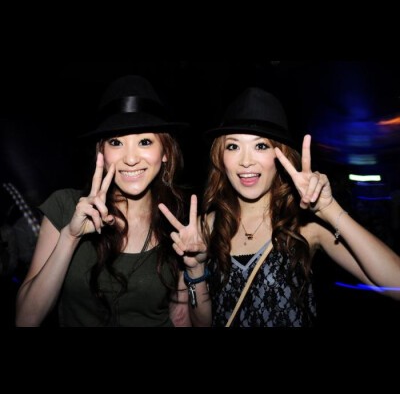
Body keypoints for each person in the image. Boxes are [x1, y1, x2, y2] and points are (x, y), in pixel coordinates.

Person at [159, 87, 400, 327]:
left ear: (281, 156)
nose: (246, 161)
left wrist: (330, 209)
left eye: (261, 146)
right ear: (220, 157)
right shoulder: (205, 228)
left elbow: (396, 285)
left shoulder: (305, 224)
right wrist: (196, 269)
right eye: (233, 146)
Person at [16, 75, 191, 327]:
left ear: (165, 152)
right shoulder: (65, 206)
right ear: (101, 152)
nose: (131, 158)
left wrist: (197, 270)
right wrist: (70, 237)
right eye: (116, 142)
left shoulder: (178, 221)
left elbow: (181, 319)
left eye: (144, 141)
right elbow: (26, 319)